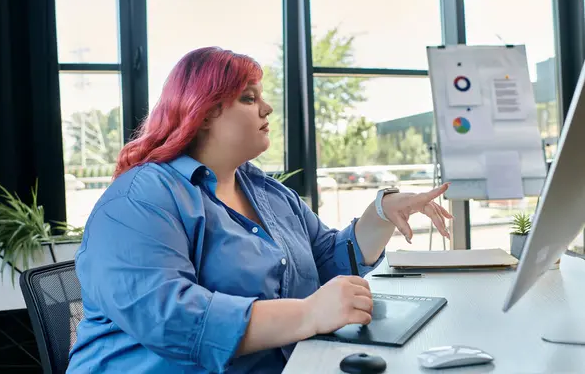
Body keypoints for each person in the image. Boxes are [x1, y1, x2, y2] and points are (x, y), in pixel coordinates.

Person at [66, 47, 452, 374]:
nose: (266, 107)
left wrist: (381, 213)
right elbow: (170, 318)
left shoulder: (266, 191)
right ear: (201, 115)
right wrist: (307, 314)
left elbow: (322, 261)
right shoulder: (139, 198)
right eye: (249, 98)